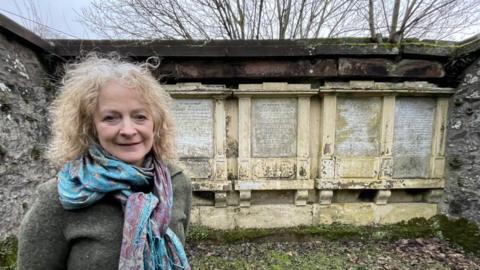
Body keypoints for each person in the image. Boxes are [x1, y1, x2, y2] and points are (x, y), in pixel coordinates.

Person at [17, 54, 192, 270]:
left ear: (155, 124)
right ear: (90, 127)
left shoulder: (175, 184)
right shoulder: (58, 199)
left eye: (140, 116)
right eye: (111, 117)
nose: (128, 130)